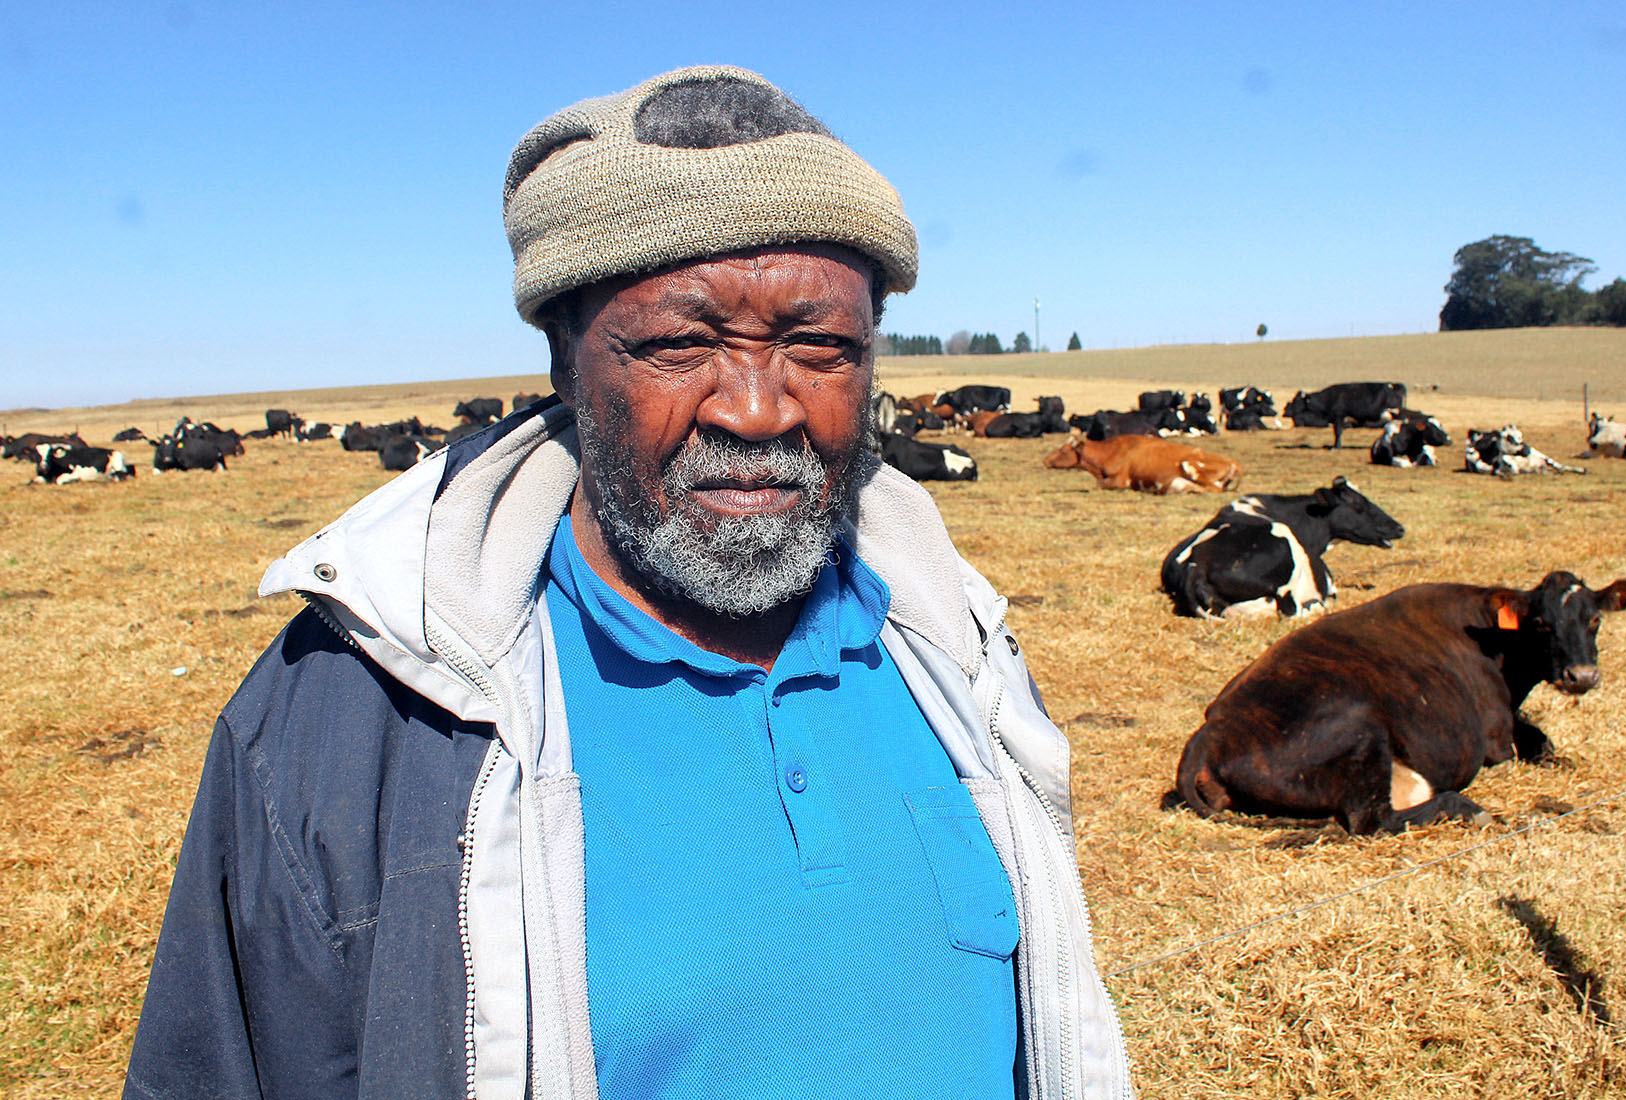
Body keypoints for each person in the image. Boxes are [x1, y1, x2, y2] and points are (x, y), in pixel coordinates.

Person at [124, 66, 1131, 1100]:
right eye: (679, 344)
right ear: (566, 358)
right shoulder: (359, 709)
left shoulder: (955, 650)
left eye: (818, 346)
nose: (754, 408)